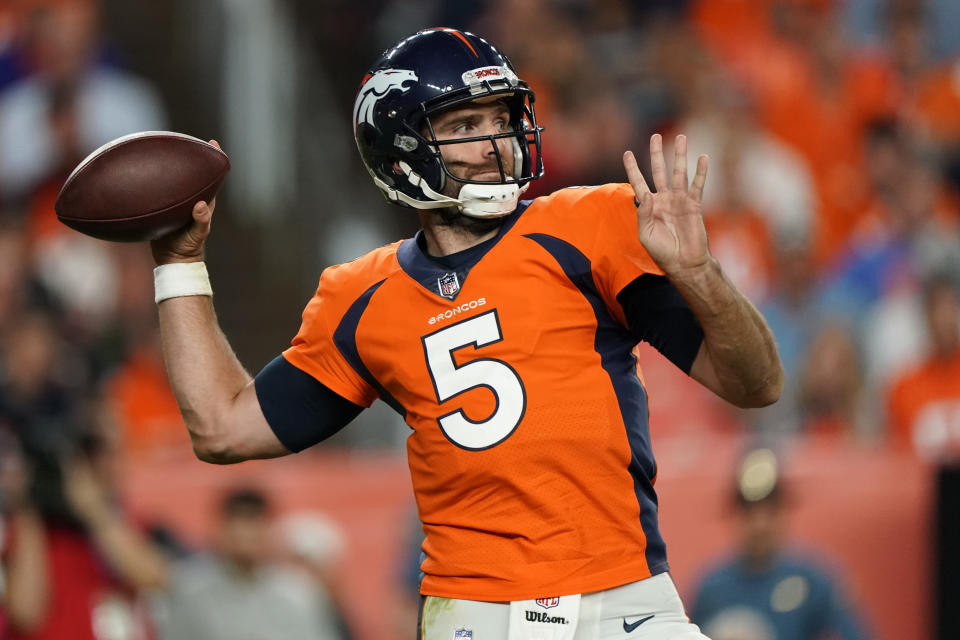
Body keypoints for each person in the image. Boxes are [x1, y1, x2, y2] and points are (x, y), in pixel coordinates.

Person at [148, 28, 783, 639]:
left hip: (625, 596)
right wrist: (178, 265)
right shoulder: (361, 297)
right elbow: (222, 427)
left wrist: (701, 274)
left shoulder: (590, 224)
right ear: (401, 152)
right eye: (463, 127)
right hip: (476, 613)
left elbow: (757, 385)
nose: (494, 144)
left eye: (501, 120)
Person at [689, 449, 870, 640]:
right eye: (749, 511)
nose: (760, 523)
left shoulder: (814, 580)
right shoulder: (711, 589)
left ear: (783, 511)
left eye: (770, 509)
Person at [157, 488, 349, 640]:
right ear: (220, 529)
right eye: (238, 523)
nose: (245, 535)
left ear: (269, 530)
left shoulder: (299, 594)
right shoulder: (189, 589)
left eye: (254, 523)